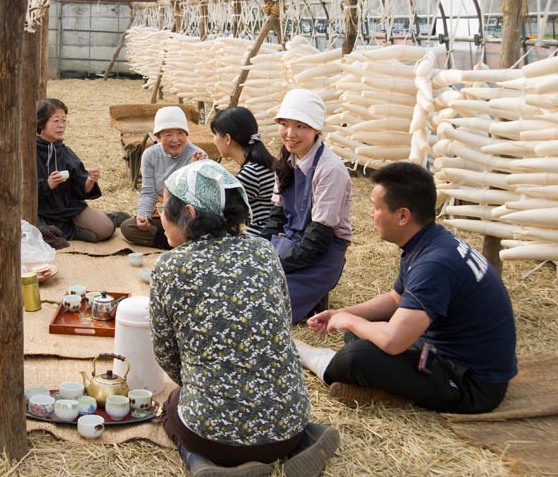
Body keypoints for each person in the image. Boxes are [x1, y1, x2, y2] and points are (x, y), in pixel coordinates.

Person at [150, 159, 339, 477]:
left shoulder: (168, 266)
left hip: (215, 439)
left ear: (189, 214)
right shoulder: (264, 251)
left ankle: (201, 462)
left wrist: (199, 385)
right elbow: (281, 323)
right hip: (288, 426)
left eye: (164, 208)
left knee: (171, 405)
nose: (159, 216)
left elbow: (166, 354)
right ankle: (307, 437)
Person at [296, 162, 517, 414]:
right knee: (358, 335)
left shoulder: (435, 264)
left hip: (471, 384)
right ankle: (386, 391)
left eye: (375, 207)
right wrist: (343, 314)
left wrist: (349, 320)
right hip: (440, 351)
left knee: (356, 356)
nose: (370, 213)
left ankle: (313, 357)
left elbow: (393, 342)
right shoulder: (430, 241)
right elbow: (395, 299)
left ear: (403, 216)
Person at [261, 89, 352, 322]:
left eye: (300, 126)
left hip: (322, 254)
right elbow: (276, 217)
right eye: (285, 124)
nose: (290, 134)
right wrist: (260, 254)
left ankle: (315, 291)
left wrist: (275, 266)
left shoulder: (330, 170)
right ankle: (312, 299)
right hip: (290, 244)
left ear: (316, 129)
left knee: (263, 305)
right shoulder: (286, 161)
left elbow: (318, 240)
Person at [35, 98, 121, 242]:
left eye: (64, 120)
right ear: (41, 123)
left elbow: (80, 187)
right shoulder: (28, 152)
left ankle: (108, 219)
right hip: (39, 211)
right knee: (39, 235)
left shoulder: (66, 152)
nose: (61, 125)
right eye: (56, 121)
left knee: (106, 229)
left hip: (68, 209)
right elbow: (20, 190)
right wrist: (47, 185)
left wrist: (90, 180)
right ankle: (74, 231)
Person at [120, 106, 206, 248]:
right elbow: (148, 192)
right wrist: (143, 215)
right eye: (168, 134)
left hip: (188, 214)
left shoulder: (198, 155)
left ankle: (175, 241)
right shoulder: (150, 155)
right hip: (163, 212)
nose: (175, 139)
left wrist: (195, 167)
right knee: (129, 227)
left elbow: (199, 198)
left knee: (197, 227)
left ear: (187, 134)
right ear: (158, 137)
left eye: (180, 133)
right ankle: (181, 242)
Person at [210, 106, 275, 236]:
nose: (214, 140)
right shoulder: (259, 164)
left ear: (227, 139)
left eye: (215, 134)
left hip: (262, 236)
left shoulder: (252, 172)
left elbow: (220, 208)